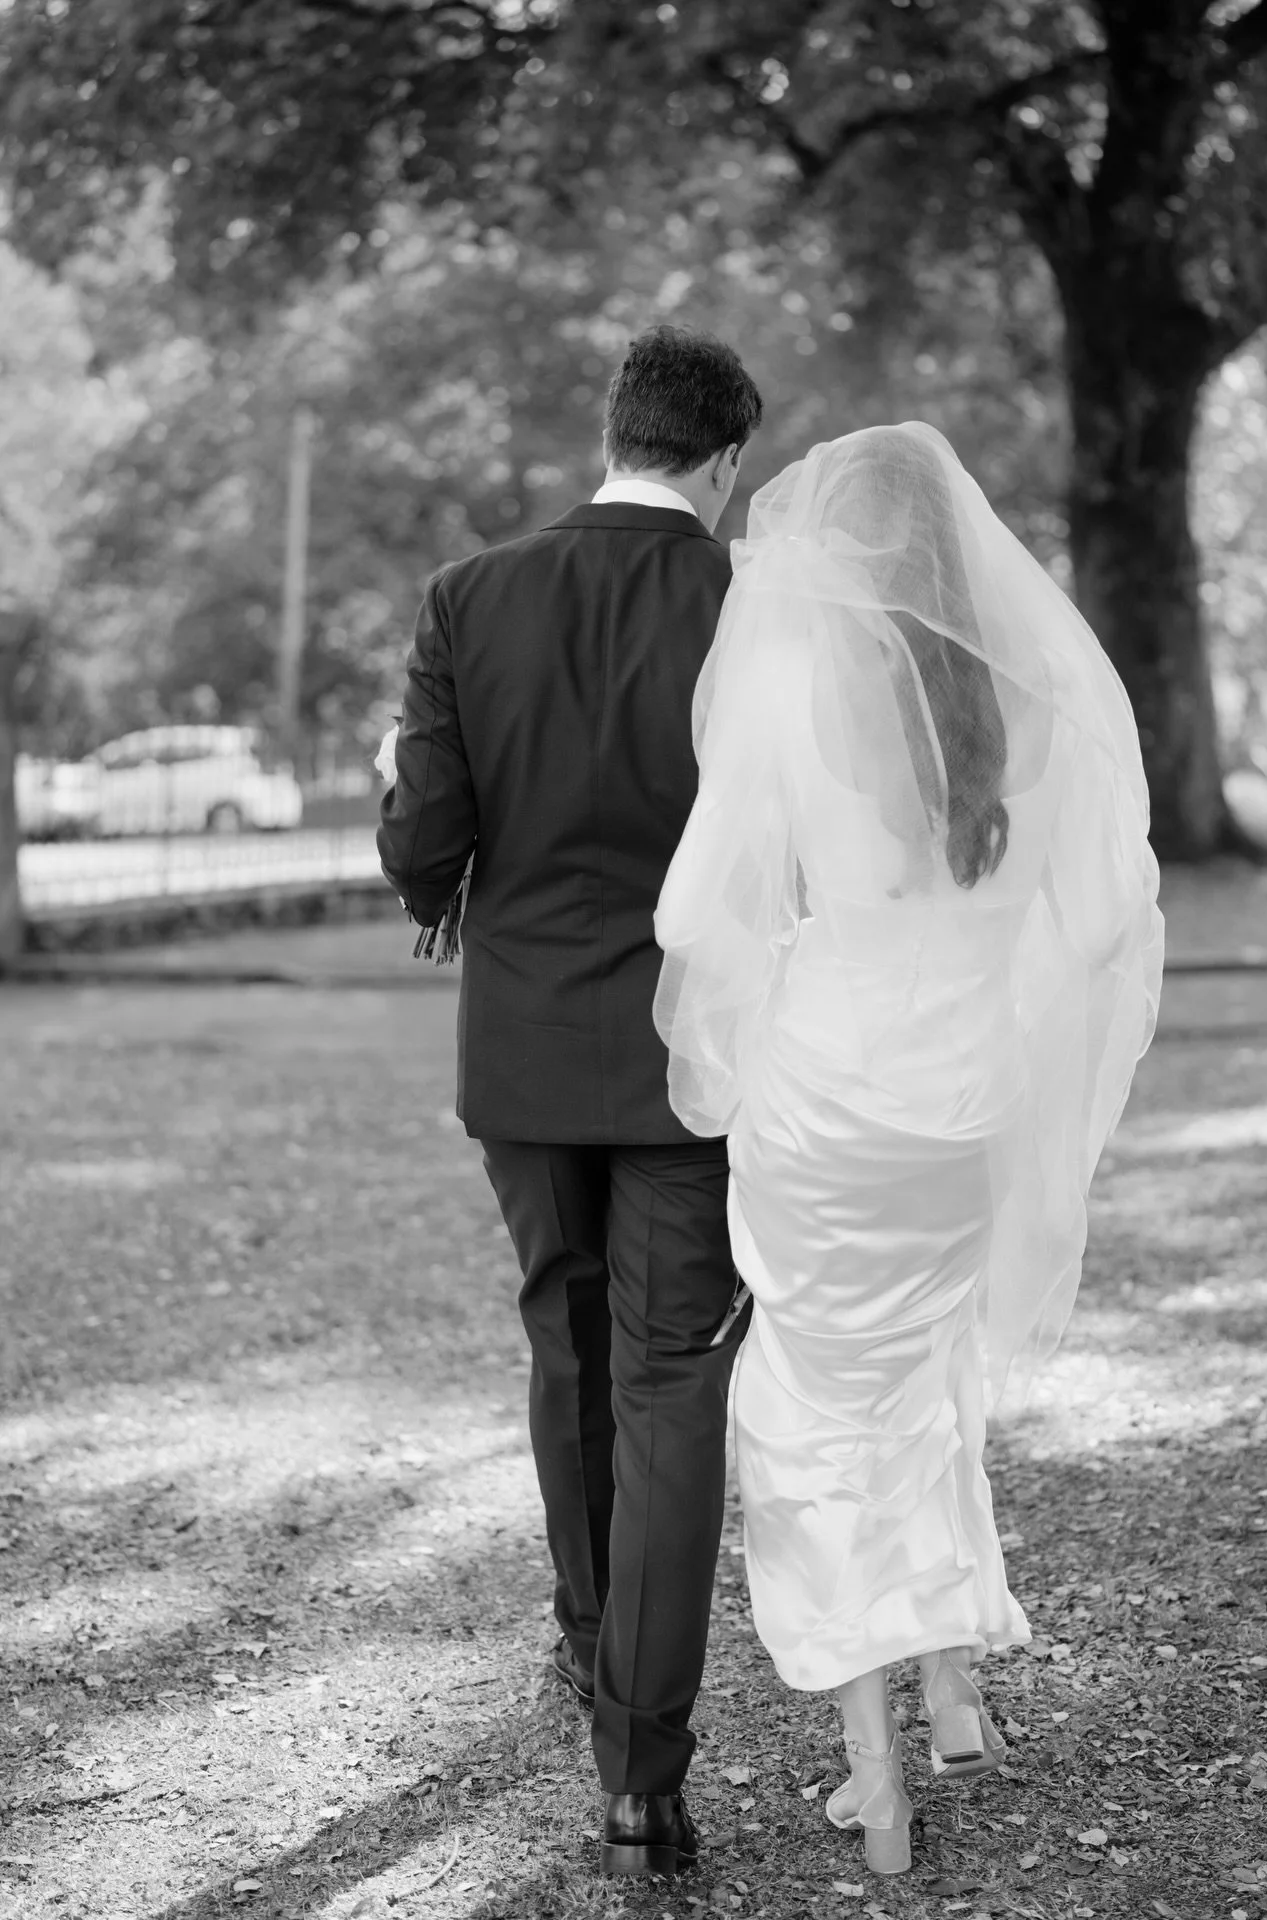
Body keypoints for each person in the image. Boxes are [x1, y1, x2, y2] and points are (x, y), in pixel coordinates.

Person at [653, 422, 1164, 1876]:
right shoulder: (1037, 689)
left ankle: (877, 1781)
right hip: (967, 1100)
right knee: (927, 1373)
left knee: (814, 1410)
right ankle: (949, 1691)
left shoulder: (792, 675)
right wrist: (1007, 995)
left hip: (829, 1101)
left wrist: (767, 990)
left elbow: (694, 915)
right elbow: (1104, 911)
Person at [377, 326, 763, 1879]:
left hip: (527, 1049)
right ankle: (641, 1775)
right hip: (695, 1052)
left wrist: (437, 872)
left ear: (616, 433)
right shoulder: (753, 606)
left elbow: (424, 845)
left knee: (568, 1338)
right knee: (672, 1380)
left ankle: (590, 1628)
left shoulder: (469, 596)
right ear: (722, 459)